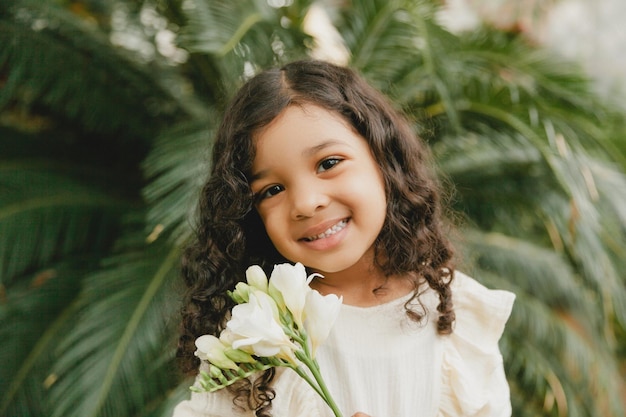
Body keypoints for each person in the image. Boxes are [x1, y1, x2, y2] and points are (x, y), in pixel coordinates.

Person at [173, 59, 515, 417]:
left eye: (328, 163)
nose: (306, 203)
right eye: (272, 189)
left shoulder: (458, 316)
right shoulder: (253, 336)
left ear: (384, 159)